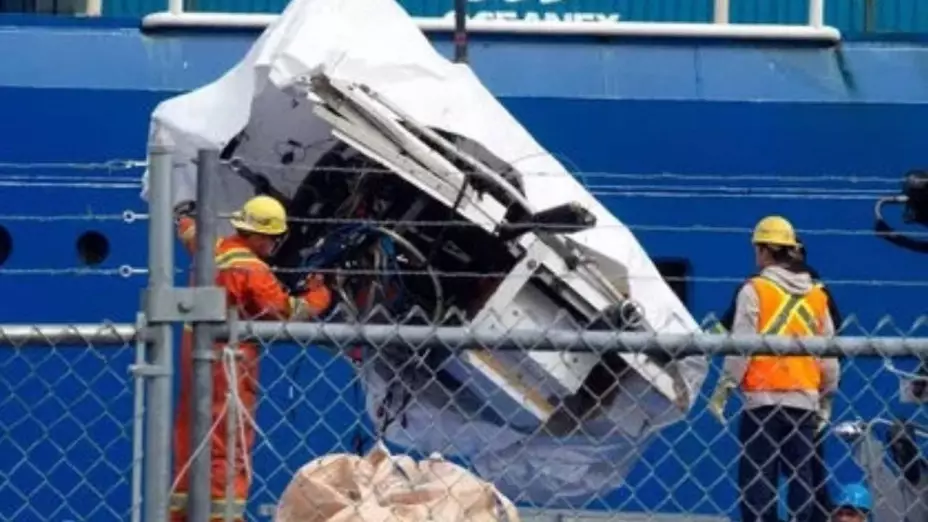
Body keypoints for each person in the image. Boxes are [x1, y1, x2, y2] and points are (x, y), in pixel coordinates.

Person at [169, 195, 333, 522]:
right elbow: (287, 312)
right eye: (273, 238)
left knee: (192, 437)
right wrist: (321, 294)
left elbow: (189, 232)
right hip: (230, 361)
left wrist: (183, 218)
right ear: (257, 236)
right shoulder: (252, 271)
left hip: (195, 353)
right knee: (227, 441)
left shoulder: (212, 250)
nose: (275, 245)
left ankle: (181, 515)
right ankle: (222, 516)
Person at [708, 215, 839, 522]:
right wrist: (827, 396)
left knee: (757, 478)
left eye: (757, 249)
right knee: (801, 477)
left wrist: (724, 389)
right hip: (804, 400)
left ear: (766, 250)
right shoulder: (818, 295)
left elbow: (742, 346)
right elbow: (829, 353)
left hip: (762, 402)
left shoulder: (755, 289)